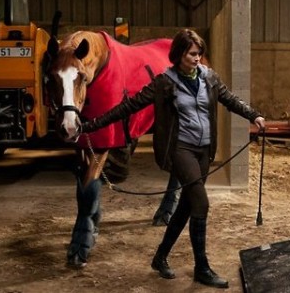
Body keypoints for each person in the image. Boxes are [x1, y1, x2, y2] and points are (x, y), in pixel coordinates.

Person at [81, 29, 265, 289]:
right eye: (192, 53)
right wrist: (93, 125)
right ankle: (201, 268)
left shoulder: (209, 78)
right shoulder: (165, 82)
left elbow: (230, 99)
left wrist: (253, 115)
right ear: (178, 54)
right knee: (201, 203)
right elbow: (130, 105)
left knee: (186, 207)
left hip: (203, 150)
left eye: (200, 53)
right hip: (180, 149)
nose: (197, 58)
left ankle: (160, 257)